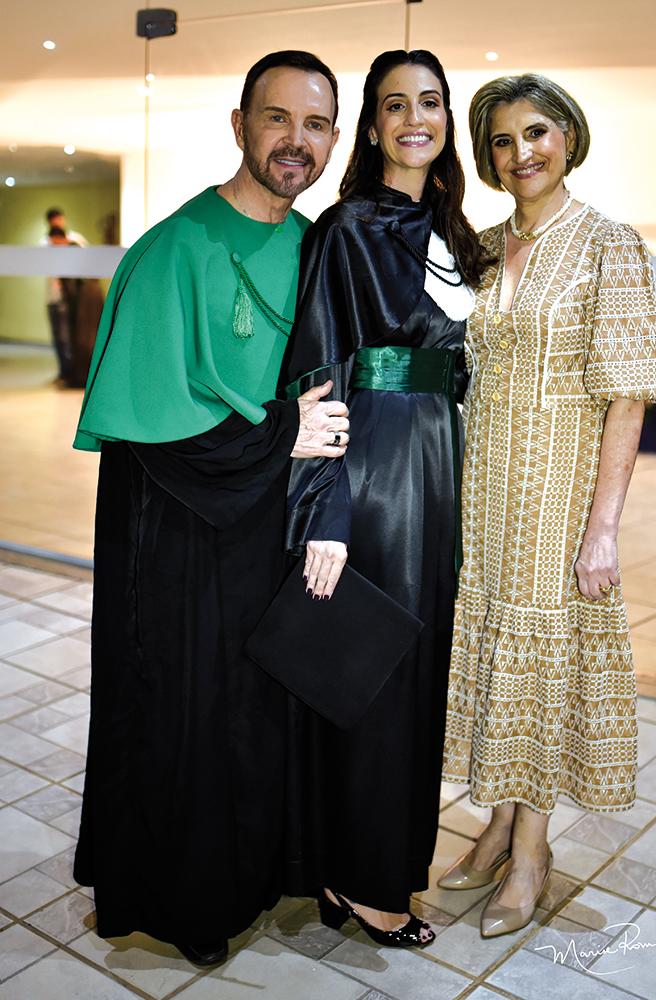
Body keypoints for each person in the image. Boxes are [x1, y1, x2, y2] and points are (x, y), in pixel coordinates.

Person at [72, 50, 347, 966]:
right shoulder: (175, 249)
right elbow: (149, 432)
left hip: (268, 533)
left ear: (335, 139)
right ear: (240, 125)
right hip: (180, 541)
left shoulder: (314, 247)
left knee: (253, 716)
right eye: (277, 119)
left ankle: (261, 876)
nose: (295, 142)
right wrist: (280, 436)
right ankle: (183, 901)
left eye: (315, 125)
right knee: (184, 717)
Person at [441, 73, 656, 938]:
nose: (520, 154)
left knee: (539, 667)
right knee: (496, 648)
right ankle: (496, 825)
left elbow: (627, 397)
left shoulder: (608, 244)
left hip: (559, 491)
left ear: (569, 138)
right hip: (485, 484)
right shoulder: (485, 243)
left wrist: (603, 529)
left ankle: (533, 852)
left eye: (536, 133)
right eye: (501, 141)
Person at [278, 49, 488, 948]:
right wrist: (324, 509)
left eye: (430, 102)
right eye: (394, 104)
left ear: (447, 120)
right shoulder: (348, 227)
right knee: (376, 673)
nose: (415, 118)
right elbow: (318, 371)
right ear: (372, 126)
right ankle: (363, 881)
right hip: (380, 468)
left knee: (416, 672)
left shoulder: (457, 231)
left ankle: (371, 863)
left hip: (438, 462)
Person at [43, 209, 88, 384]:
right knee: (58, 337)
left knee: (68, 336)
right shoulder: (45, 243)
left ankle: (72, 374)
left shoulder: (75, 241)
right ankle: (63, 372)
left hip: (70, 299)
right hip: (52, 297)